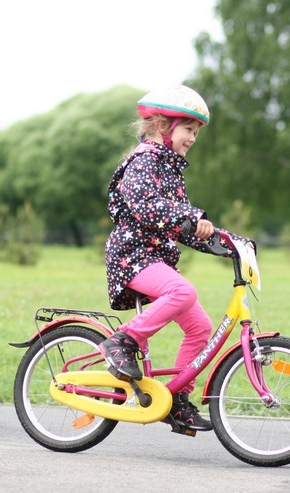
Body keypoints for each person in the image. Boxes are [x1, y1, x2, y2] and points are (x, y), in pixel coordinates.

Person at [98, 85, 236, 432]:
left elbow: (181, 225)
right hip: (132, 257)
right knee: (183, 292)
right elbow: (151, 207)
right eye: (189, 130)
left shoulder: (171, 169)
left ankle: (176, 401)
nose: (192, 138)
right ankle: (122, 341)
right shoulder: (143, 161)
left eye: (195, 132)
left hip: (154, 258)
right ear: (164, 127)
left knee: (199, 326)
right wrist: (191, 215)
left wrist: (227, 243)